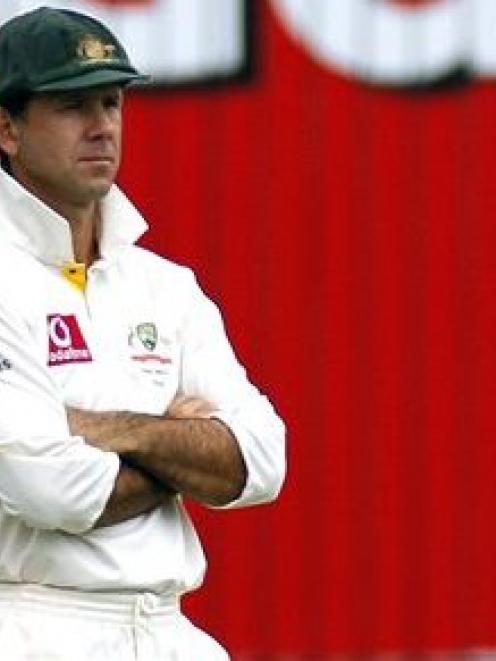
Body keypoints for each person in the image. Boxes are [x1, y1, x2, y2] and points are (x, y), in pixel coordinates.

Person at [0, 6, 286, 660]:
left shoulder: (165, 284)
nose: (102, 126)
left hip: (169, 629)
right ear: (7, 128)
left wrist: (115, 429)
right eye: (73, 105)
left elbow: (262, 459)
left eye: (111, 101)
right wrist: (185, 449)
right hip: (33, 627)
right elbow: (56, 491)